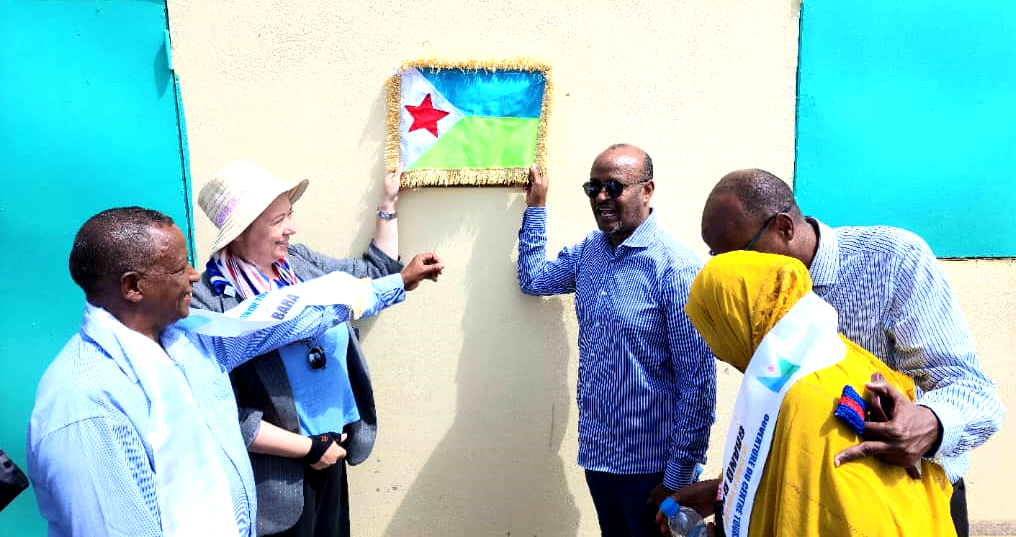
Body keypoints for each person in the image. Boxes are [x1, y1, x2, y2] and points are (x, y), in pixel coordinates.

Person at [26, 207, 442, 537]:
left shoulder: (190, 340)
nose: (192, 274)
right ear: (133, 286)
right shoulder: (85, 403)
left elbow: (294, 318)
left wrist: (397, 283)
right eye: (177, 268)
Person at [695, 168, 1003, 536]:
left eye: (737, 254)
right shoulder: (755, 300)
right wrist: (727, 489)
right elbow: (783, 415)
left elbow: (975, 393)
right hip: (812, 501)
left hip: (908, 503)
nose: (729, 271)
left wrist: (927, 425)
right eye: (717, 257)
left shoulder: (893, 261)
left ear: (783, 228)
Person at [189, 158, 416, 537]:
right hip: (274, 481)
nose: (291, 228)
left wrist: (388, 205)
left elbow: (374, 278)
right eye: (278, 220)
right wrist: (306, 449)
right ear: (242, 229)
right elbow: (216, 409)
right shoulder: (208, 301)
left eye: (289, 215)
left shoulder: (301, 264)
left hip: (334, 459)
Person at [663, 250, 956, 536]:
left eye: (713, 329)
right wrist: (722, 491)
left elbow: (805, 510)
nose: (717, 351)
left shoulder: (799, 400)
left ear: (737, 322)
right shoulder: (833, 355)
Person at [517, 144, 716, 537]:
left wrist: (676, 479)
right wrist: (536, 207)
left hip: (653, 472)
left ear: (647, 190)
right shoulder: (589, 253)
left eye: (614, 187)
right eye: (594, 188)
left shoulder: (676, 269)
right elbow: (534, 279)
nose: (602, 198)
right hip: (599, 459)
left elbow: (698, 384)